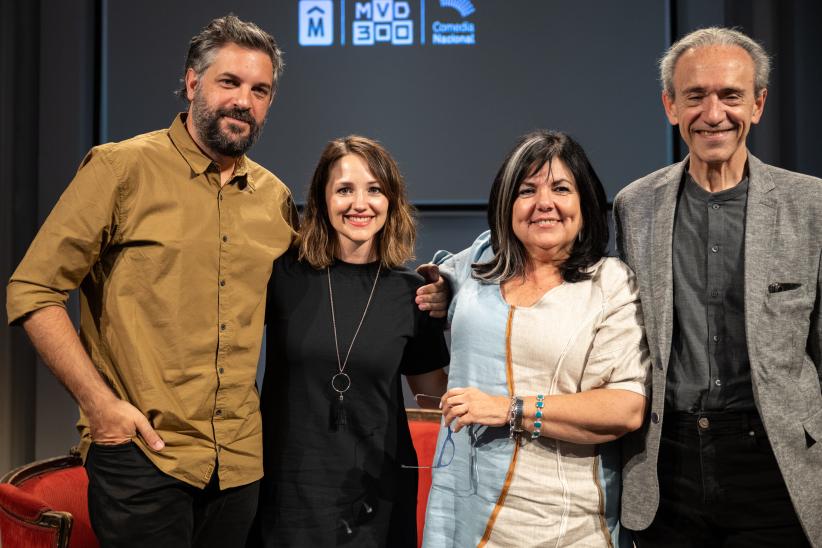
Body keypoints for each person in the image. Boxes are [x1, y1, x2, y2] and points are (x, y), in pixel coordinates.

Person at [6, 15, 292, 547]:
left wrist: (441, 283)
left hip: (239, 464)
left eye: (260, 90)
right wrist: (99, 404)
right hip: (143, 455)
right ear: (191, 83)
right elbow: (33, 289)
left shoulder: (273, 197)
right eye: (228, 82)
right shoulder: (121, 169)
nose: (243, 102)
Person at [615, 27, 822, 546]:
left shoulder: (811, 205)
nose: (713, 113)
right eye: (695, 96)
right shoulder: (633, 206)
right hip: (668, 462)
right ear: (670, 106)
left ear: (758, 104)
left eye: (730, 95)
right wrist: (451, 279)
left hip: (777, 461)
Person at [422, 130, 650, 547]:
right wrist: (437, 288)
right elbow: (440, 279)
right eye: (527, 190)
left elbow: (625, 409)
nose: (544, 202)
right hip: (464, 518)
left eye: (561, 188)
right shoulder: (481, 260)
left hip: (565, 524)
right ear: (506, 205)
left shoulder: (610, 284)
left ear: (584, 204)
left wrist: (509, 409)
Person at [255, 135, 449, 546]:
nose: (360, 203)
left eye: (374, 189)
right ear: (323, 200)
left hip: (376, 494)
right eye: (344, 189)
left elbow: (434, 395)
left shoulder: (413, 294)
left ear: (391, 200)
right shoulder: (282, 278)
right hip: (287, 492)